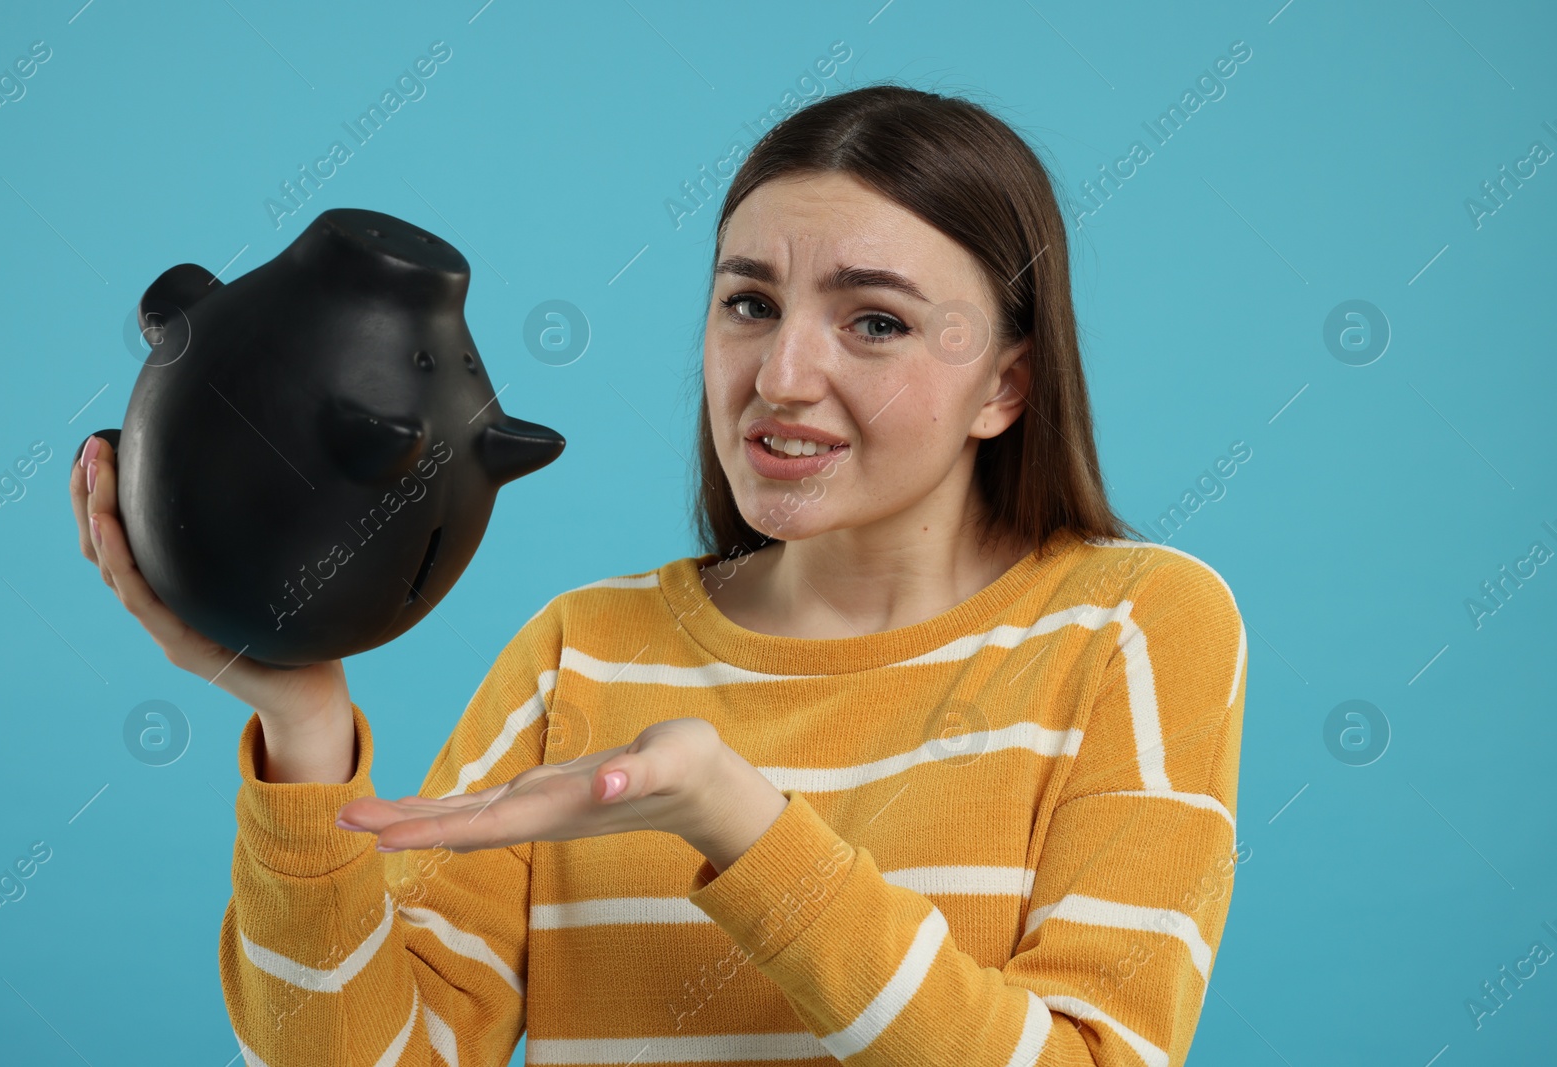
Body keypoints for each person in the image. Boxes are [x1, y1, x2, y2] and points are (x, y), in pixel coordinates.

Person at [69, 82, 1246, 1067]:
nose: (781, 375)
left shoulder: (1132, 627)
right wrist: (303, 720)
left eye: (873, 322)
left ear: (1006, 384)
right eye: (749, 302)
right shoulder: (583, 649)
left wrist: (735, 816)